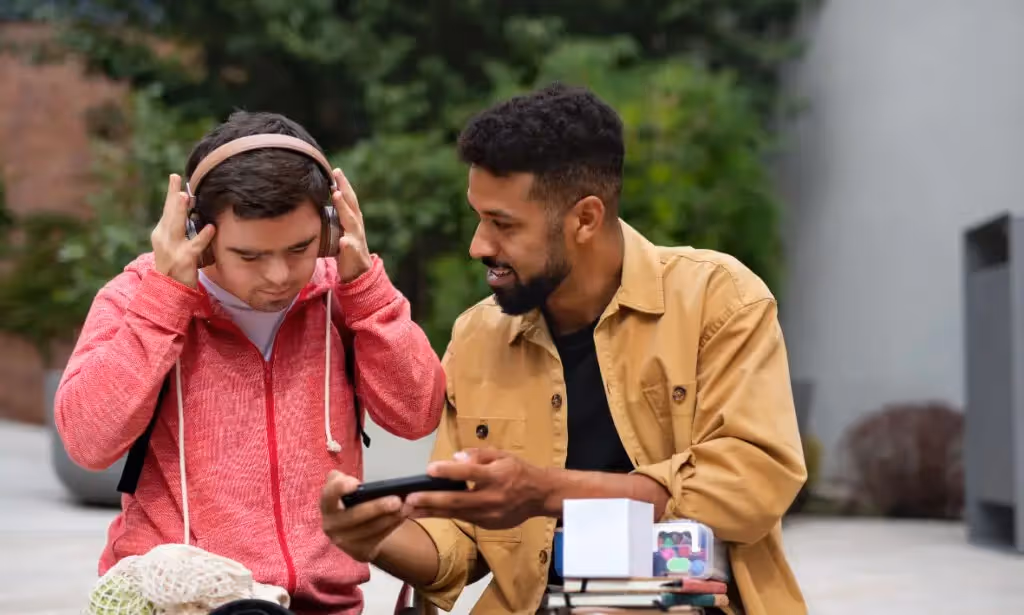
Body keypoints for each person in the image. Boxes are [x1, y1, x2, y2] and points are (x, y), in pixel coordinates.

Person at [319, 83, 808, 615]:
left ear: (585, 219)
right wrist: (371, 535)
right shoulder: (478, 336)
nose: (478, 246)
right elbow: (456, 547)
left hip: (684, 593)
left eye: (503, 224)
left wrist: (545, 492)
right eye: (478, 217)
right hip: (534, 605)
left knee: (671, 562)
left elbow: (750, 486)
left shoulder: (717, 299)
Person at [54, 111, 446, 614]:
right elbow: (88, 443)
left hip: (324, 606)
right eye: (250, 256)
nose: (280, 275)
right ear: (199, 232)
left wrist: (366, 289)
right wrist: (165, 300)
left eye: (300, 248)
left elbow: (417, 415)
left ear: (330, 227)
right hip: (179, 606)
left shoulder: (346, 295)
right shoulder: (137, 298)